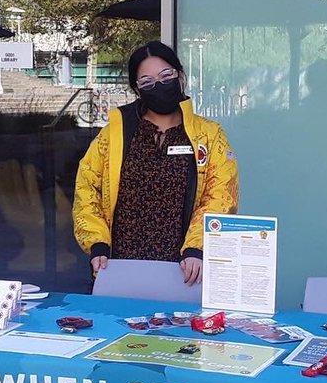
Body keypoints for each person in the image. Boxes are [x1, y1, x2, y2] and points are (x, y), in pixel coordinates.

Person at [73, 41, 239, 285]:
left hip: (186, 271)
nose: (158, 85)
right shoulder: (114, 134)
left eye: (165, 75)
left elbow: (221, 195)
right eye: (147, 82)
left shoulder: (209, 135)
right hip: (119, 265)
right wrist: (97, 243)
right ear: (137, 89)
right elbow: (87, 188)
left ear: (180, 75)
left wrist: (197, 247)